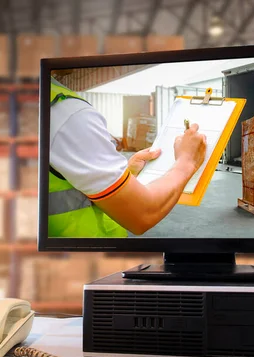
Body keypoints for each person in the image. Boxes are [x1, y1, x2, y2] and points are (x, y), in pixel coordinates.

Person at [48, 76, 207, 237]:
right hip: (86, 256)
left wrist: (127, 173)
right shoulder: (65, 112)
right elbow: (142, 213)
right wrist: (187, 161)